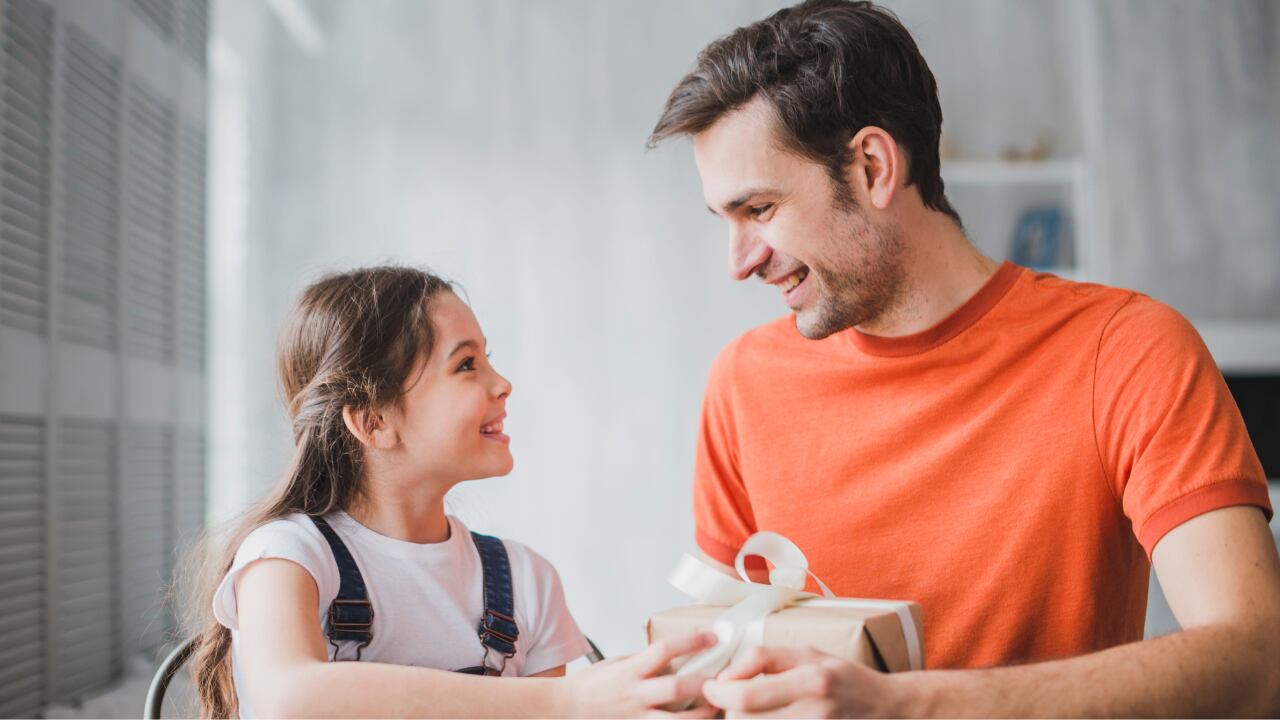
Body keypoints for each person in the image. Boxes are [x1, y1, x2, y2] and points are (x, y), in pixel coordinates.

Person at [647, 0, 1280, 716]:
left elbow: (1256, 661)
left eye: (758, 211)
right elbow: (733, 649)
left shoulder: (1127, 350)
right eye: (724, 220)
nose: (738, 264)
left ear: (873, 166)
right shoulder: (742, 383)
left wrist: (905, 706)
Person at [186, 266, 714, 718]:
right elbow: (291, 698)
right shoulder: (289, 555)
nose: (502, 383)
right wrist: (562, 702)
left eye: (487, 358)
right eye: (466, 364)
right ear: (374, 422)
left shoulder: (527, 580)